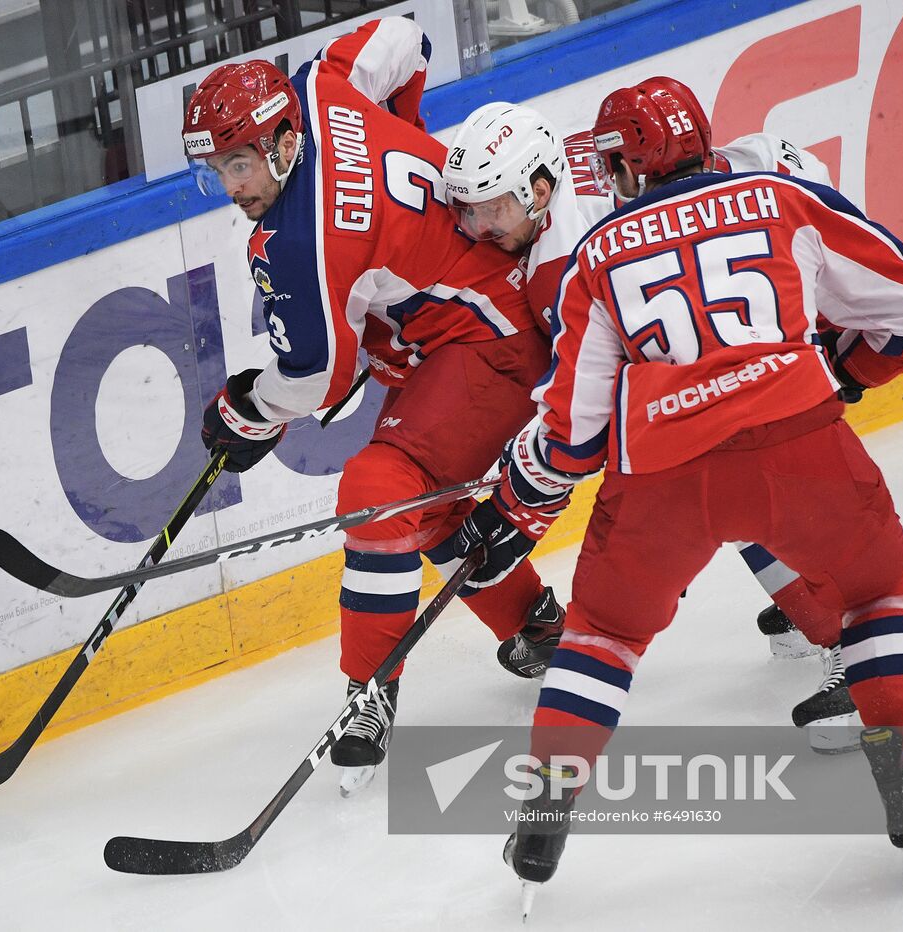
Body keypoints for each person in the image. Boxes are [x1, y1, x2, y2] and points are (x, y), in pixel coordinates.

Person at [453, 76, 903, 897]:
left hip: (661, 477)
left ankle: (546, 812)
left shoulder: (596, 255)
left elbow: (573, 439)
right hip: (798, 445)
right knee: (876, 595)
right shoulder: (782, 197)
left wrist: (519, 494)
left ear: (629, 166)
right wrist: (843, 372)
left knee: (601, 635)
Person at [182, 17, 564, 790]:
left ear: (284, 141)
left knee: (378, 491)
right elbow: (405, 35)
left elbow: (320, 379)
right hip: (458, 322)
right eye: (217, 171)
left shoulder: (300, 240)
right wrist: (405, 139)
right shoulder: (322, 85)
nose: (233, 188)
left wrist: (246, 407)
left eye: (241, 163)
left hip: (487, 340)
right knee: (424, 501)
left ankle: (369, 692)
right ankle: (535, 624)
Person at [442, 92, 858, 752]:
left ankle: (849, 643)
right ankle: (817, 596)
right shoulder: (615, 187)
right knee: (732, 470)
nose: (480, 226)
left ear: (539, 186)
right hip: (749, 329)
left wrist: (524, 507)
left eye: (492, 206)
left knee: (738, 457)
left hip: (773, 345)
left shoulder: (572, 260)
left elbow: (594, 415)